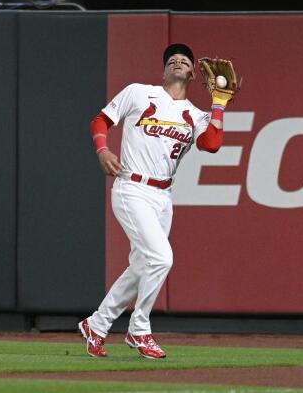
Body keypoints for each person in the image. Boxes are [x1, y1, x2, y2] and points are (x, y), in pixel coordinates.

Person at [79, 43, 230, 359]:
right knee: (161, 258)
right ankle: (139, 329)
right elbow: (100, 121)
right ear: (164, 71)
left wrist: (218, 103)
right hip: (132, 187)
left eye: (183, 60)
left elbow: (212, 145)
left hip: (163, 197)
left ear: (192, 73)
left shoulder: (196, 115)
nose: (177, 62)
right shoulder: (139, 93)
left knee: (141, 266)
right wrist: (102, 150)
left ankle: (97, 324)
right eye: (171, 60)